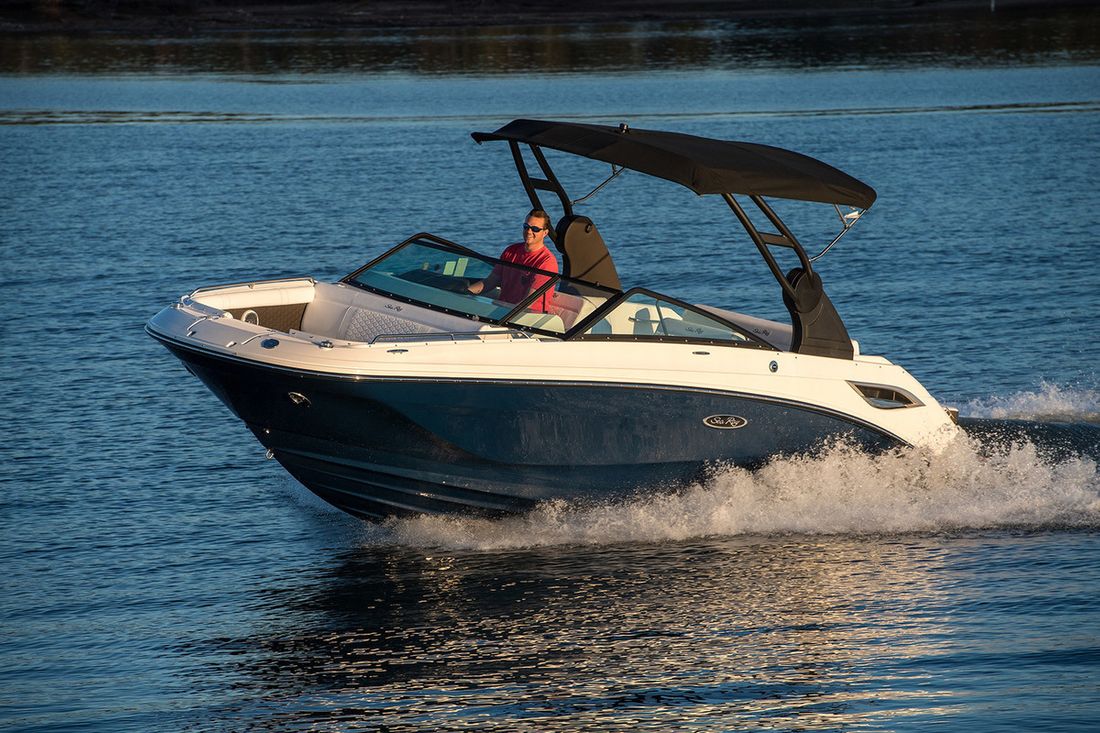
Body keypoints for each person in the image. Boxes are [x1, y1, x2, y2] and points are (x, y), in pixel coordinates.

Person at [468, 209, 559, 312]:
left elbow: (528, 302)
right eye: (526, 226)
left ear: (545, 233)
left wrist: (501, 313)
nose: (529, 231)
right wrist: (466, 292)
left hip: (528, 316)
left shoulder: (547, 262)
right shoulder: (510, 251)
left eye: (535, 229)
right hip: (503, 311)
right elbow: (490, 282)